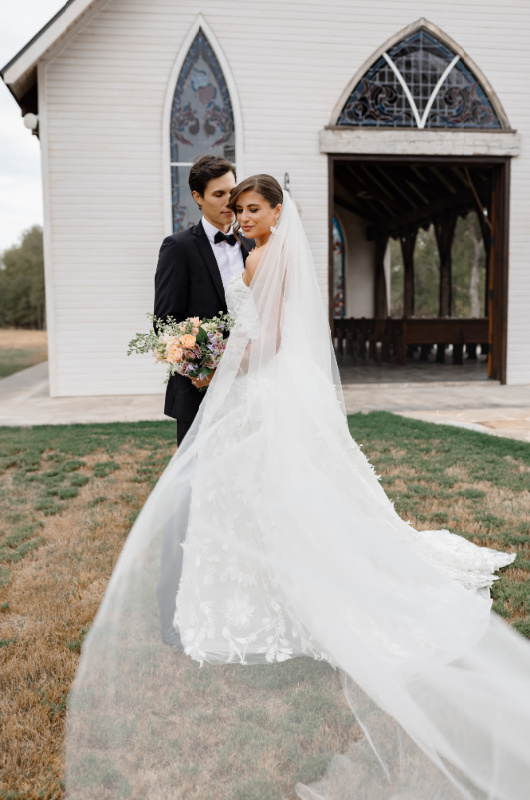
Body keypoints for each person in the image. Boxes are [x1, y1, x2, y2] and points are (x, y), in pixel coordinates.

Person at [66, 175, 530, 800]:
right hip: (260, 384)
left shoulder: (263, 256)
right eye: (238, 207)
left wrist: (222, 363)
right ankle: (257, 590)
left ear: (277, 212)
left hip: (264, 386)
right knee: (244, 495)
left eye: (253, 208)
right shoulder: (249, 252)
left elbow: (272, 336)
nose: (243, 215)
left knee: (273, 490)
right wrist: (207, 354)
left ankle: (296, 590)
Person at [153, 155, 253, 646]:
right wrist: (207, 364)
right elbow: (165, 327)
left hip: (250, 395)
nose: (229, 204)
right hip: (200, 397)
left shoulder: (254, 244)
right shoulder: (178, 248)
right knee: (191, 498)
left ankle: (237, 595)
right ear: (197, 196)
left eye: (232, 193)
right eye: (218, 195)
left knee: (243, 495)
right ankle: (173, 606)